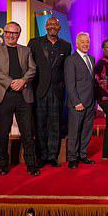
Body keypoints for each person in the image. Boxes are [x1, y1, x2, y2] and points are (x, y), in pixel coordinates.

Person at [0, 21, 40, 176]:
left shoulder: (26, 50)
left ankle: (31, 164)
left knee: (28, 133)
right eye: (8, 32)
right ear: (4, 33)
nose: (11, 35)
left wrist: (23, 81)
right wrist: (10, 82)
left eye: (14, 33)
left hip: (23, 95)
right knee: (2, 133)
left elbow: (32, 69)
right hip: (4, 95)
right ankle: (3, 164)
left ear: (19, 34)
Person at [27, 17, 72, 168]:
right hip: (39, 89)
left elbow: (66, 69)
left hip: (57, 91)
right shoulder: (34, 43)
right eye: (50, 24)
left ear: (59, 28)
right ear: (45, 27)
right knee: (39, 125)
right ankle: (42, 156)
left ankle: (53, 156)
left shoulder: (66, 46)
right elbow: (29, 65)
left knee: (55, 125)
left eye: (55, 24)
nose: (53, 26)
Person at [64, 32, 96, 169]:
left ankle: (83, 155)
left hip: (90, 102)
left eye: (87, 42)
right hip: (77, 103)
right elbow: (70, 84)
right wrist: (77, 102)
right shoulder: (71, 60)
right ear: (77, 43)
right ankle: (72, 158)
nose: (85, 44)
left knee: (86, 131)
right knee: (74, 131)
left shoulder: (92, 58)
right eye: (82, 42)